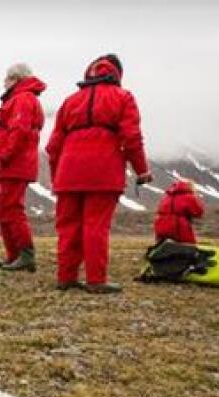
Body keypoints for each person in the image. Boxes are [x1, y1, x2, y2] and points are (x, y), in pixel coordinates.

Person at [45, 53, 153, 293]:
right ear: (117, 74)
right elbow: (131, 138)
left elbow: (53, 147)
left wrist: (57, 177)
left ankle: (66, 277)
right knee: (96, 226)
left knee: (68, 227)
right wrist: (142, 170)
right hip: (104, 171)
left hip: (68, 172)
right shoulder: (123, 97)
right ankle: (96, 280)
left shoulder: (70, 101)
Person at [0, 63, 47, 272]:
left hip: (13, 164)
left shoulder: (23, 99)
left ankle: (26, 256)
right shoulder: (20, 99)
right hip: (10, 164)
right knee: (6, 211)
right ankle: (14, 255)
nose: (4, 82)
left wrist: (4, 157)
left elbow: (19, 132)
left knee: (13, 210)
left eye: (7, 78)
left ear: (16, 79)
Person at [153, 179, 205, 244]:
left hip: (161, 225)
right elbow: (198, 212)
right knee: (189, 247)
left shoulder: (166, 197)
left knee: (163, 247)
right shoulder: (189, 197)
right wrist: (196, 198)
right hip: (179, 227)